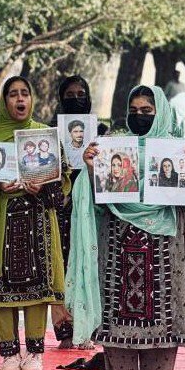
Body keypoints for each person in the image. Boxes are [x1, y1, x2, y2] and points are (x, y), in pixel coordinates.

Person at [67, 85, 185, 370]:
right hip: (119, 242)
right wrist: (92, 169)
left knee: (167, 313)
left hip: (166, 246)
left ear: (160, 112)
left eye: (147, 111)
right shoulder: (116, 150)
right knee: (114, 313)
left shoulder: (176, 150)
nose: (140, 116)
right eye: (134, 110)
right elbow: (97, 200)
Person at [0, 76, 70, 370]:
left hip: (38, 222)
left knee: (38, 288)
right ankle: (9, 354)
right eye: (13, 94)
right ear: (4, 100)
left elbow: (61, 188)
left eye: (25, 93)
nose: (20, 99)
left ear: (32, 99)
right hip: (0, 223)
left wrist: (41, 189)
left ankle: (35, 354)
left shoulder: (43, 136)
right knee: (0, 284)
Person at [50, 75, 106, 349]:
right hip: (60, 208)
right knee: (61, 267)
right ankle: (66, 329)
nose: (75, 98)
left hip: (93, 207)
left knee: (92, 262)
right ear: (61, 98)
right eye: (69, 94)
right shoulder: (50, 132)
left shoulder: (101, 132)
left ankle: (92, 326)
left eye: (80, 93)